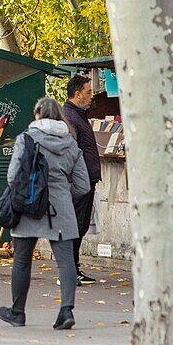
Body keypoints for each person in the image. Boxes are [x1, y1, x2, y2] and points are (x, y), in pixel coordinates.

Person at [0, 97, 90, 330]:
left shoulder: (26, 139)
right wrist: (61, 191)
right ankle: (66, 311)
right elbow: (83, 185)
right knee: (65, 261)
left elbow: (12, 177)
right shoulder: (70, 143)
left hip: (29, 204)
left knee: (22, 260)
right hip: (60, 208)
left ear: (38, 114)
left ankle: (17, 312)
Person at [61, 73, 101, 286]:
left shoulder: (78, 115)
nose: (91, 96)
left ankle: (73, 268)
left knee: (81, 225)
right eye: (88, 92)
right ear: (77, 95)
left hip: (85, 179)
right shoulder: (69, 117)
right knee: (74, 225)